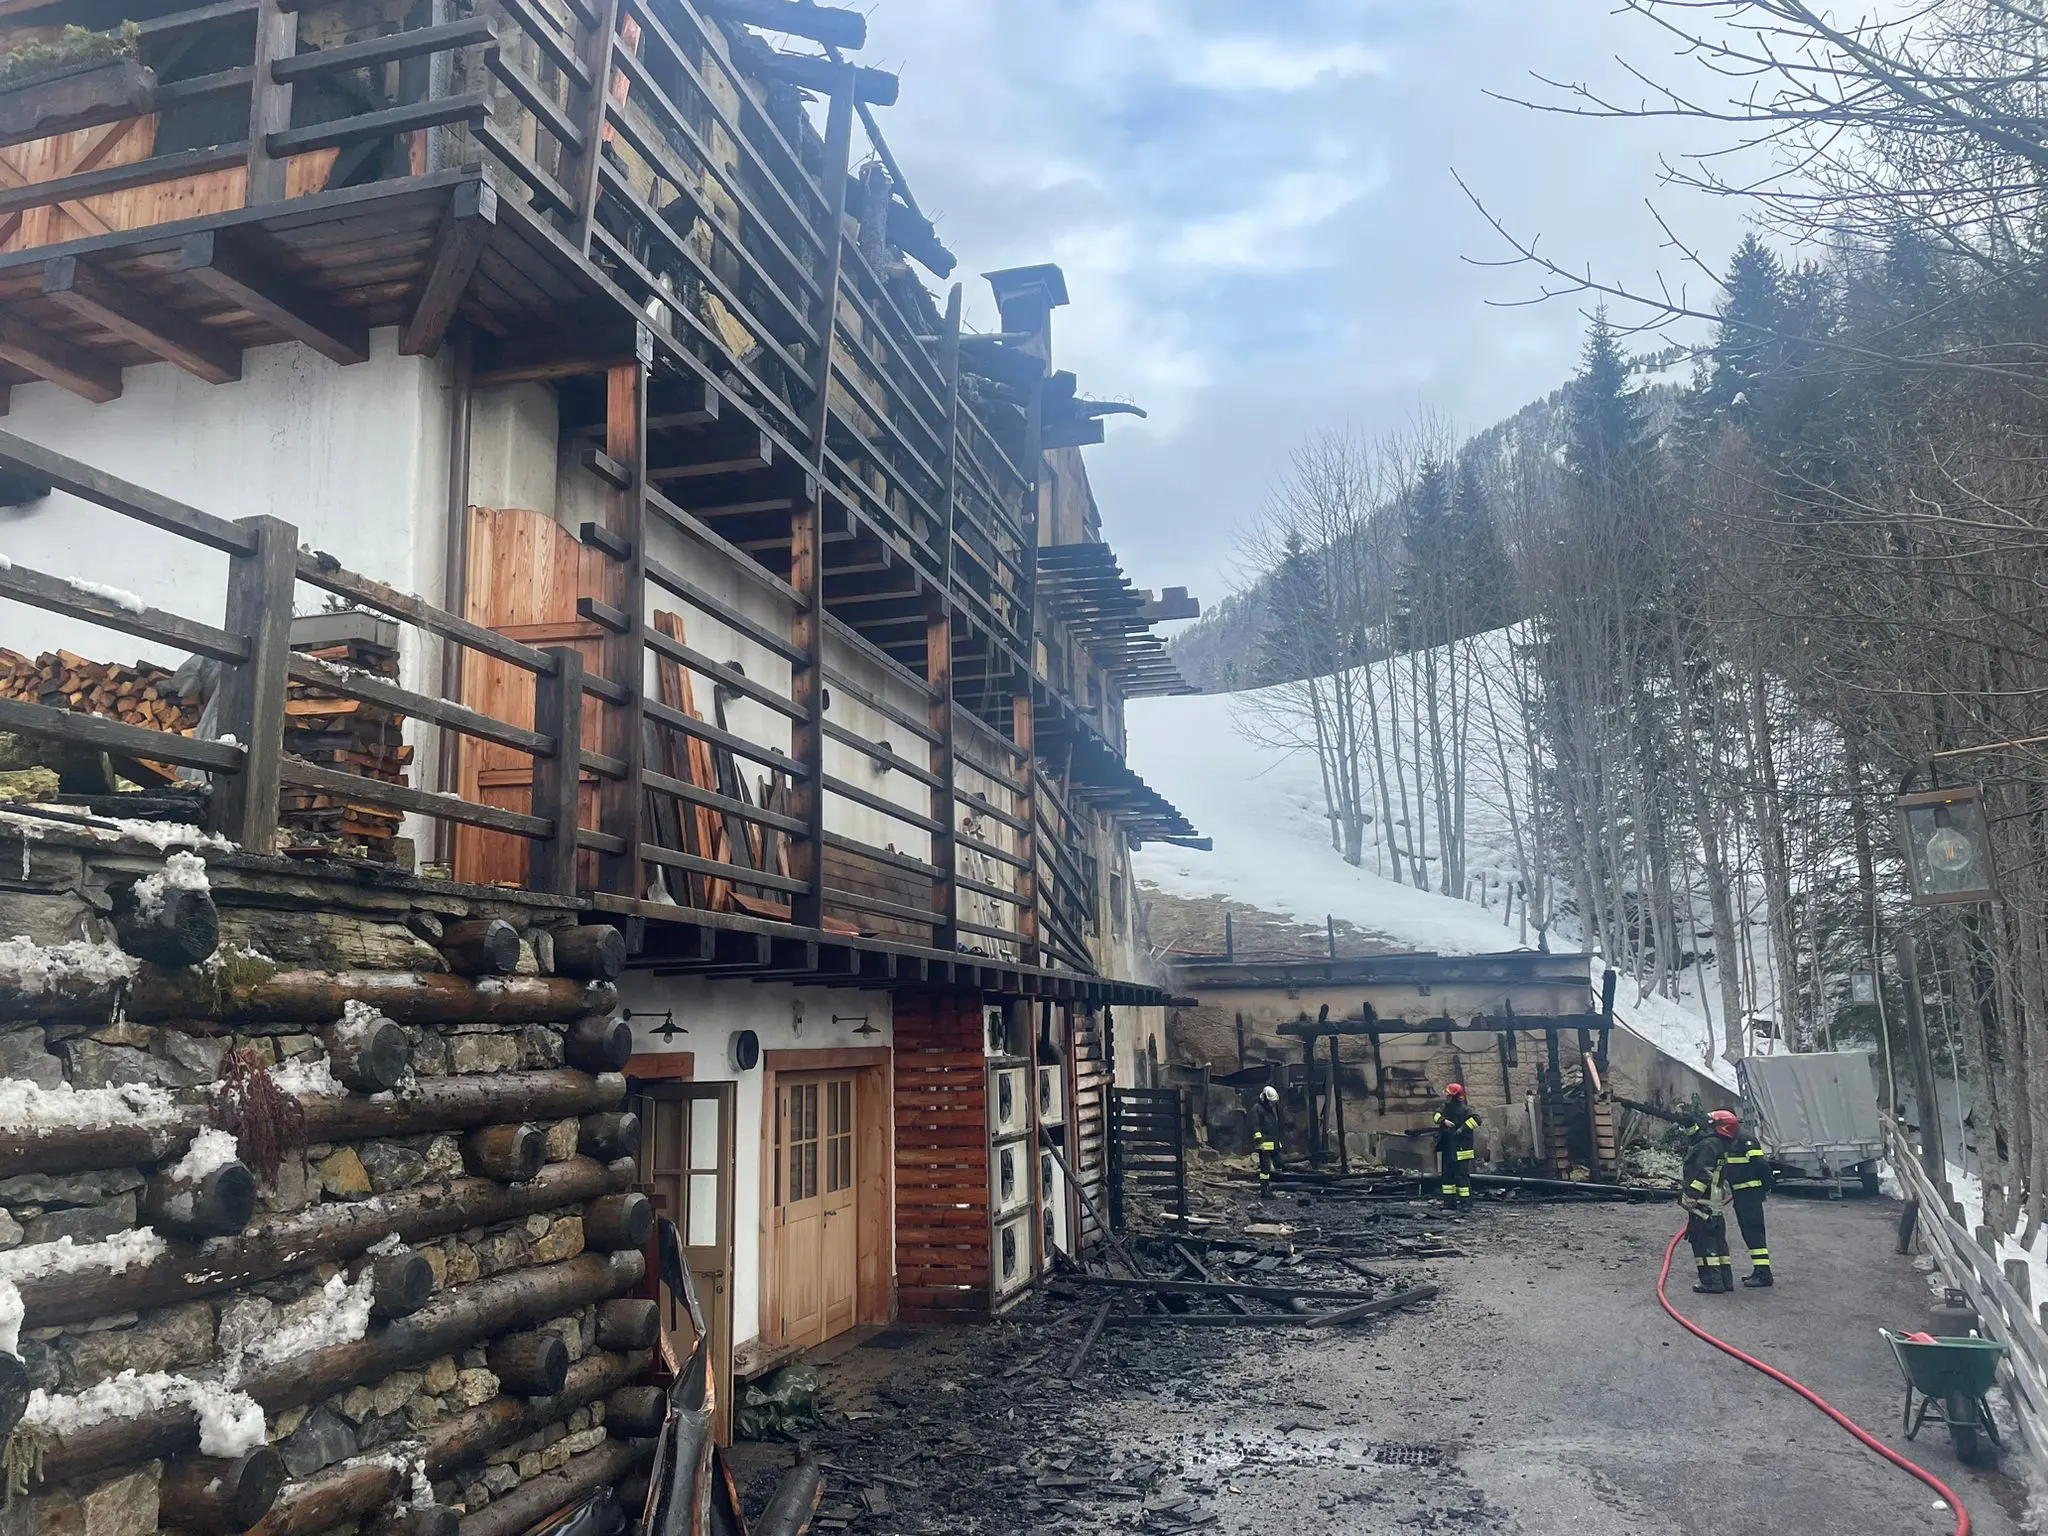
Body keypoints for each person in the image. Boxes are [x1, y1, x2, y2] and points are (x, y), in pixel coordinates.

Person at [1681, 1110, 1738, 1293]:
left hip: (1703, 1202)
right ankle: (1725, 1280)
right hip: (1715, 1203)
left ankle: (1712, 1282)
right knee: (1719, 1243)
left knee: (1703, 1242)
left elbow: (1703, 1172)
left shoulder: (1708, 1146)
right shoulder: (1721, 1144)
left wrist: (1691, 1196)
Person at [1721, 1114, 1774, 1287]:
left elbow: (1761, 1165)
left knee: (1754, 1233)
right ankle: (1759, 1271)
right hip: (1741, 1196)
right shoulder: (1732, 1140)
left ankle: (1764, 1274)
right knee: (1749, 1234)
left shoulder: (1745, 1140)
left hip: (1749, 1196)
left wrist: (1766, 1186)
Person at [1433, 1083, 1479, 1213]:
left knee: (1461, 1177)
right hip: (1448, 1148)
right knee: (1447, 1177)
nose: (1448, 1098)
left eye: (1450, 1095)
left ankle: (1466, 1204)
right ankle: (1449, 1203)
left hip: (1462, 1150)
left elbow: (1477, 1120)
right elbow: (1435, 1115)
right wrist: (1443, 1121)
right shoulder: (1445, 1108)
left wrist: (1462, 1128)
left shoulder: (1465, 1110)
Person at [1253, 1085, 1281, 1194]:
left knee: (1279, 1164)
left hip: (1272, 1145)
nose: (1272, 1104)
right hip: (1264, 1146)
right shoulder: (1257, 1109)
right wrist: (1259, 1142)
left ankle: (1270, 1187)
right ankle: (1264, 1191)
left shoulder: (1270, 1110)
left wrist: (1277, 1143)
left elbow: (1274, 1128)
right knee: (1265, 1171)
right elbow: (1255, 1127)